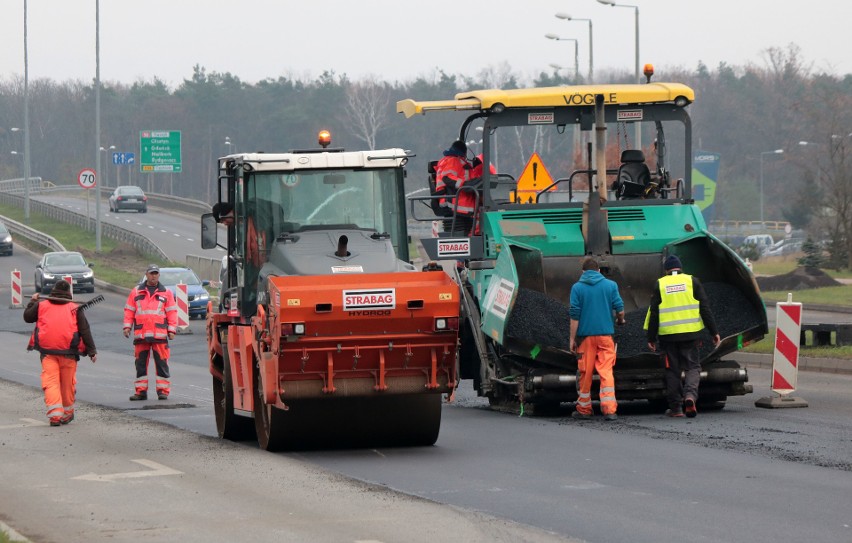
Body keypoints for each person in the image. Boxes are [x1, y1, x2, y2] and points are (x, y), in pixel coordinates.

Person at [645, 255, 721, 418]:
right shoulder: (692, 281)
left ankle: (676, 409)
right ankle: (690, 396)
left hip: (668, 338)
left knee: (672, 371)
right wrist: (714, 332)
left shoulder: (661, 284)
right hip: (691, 335)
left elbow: (654, 313)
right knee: (693, 367)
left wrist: (651, 337)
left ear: (666, 270)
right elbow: (705, 309)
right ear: (681, 268)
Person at [23, 279, 97, 426]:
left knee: (51, 383)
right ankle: (67, 414)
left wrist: (32, 301)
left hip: (48, 353)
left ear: (53, 292)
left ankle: (55, 416)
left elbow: (27, 318)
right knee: (67, 384)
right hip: (69, 353)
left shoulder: (41, 305)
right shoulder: (75, 308)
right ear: (68, 293)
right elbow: (85, 331)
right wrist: (92, 351)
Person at [569, 257, 626, 421]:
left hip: (585, 338)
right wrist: (620, 320)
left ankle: (584, 409)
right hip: (605, 336)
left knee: (585, 373)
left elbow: (574, 316)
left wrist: (572, 339)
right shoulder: (610, 285)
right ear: (599, 271)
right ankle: (609, 410)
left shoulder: (577, 288)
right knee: (606, 371)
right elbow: (620, 310)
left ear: (583, 272)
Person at [124, 264, 178, 401]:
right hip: (141, 334)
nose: (154, 276)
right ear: (146, 274)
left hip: (159, 335)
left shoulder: (166, 293)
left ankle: (163, 391)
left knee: (162, 364)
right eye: (151, 273)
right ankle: (141, 391)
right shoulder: (136, 292)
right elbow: (129, 310)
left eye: (156, 273)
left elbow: (172, 312)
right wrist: (127, 327)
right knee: (140, 365)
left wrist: (172, 330)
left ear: (159, 275)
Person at [434, 140, 471, 219]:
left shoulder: (447, 160)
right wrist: (467, 185)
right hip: (456, 202)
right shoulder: (454, 160)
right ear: (464, 152)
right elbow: (447, 178)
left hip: (450, 200)